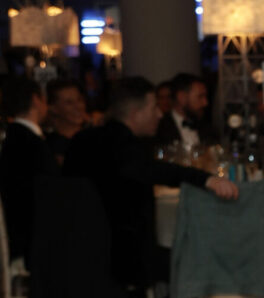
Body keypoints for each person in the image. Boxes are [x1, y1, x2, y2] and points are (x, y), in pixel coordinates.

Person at [63, 76, 238, 297]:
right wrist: (206, 179)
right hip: (120, 261)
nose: (159, 113)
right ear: (136, 112)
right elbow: (153, 170)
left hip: (74, 254)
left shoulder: (82, 140)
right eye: (154, 106)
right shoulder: (124, 146)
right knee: (208, 262)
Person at [0, 77, 59, 266]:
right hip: (34, 240)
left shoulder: (13, 139)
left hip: (19, 235)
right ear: (36, 100)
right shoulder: (31, 144)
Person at [155, 72, 213, 148]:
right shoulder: (159, 128)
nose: (205, 103)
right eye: (200, 96)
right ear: (181, 97)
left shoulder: (208, 128)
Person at [43, 78, 89, 165]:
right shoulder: (53, 147)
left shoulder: (94, 136)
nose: (78, 107)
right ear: (53, 108)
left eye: (79, 100)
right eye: (69, 102)